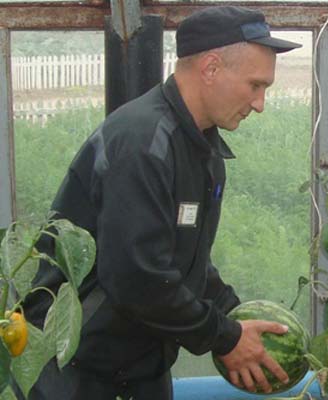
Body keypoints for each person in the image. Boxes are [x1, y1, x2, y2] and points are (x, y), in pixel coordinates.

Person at [21, 6, 301, 399]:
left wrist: (237, 316)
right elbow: (137, 277)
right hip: (76, 370)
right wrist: (224, 336)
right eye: (256, 85)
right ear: (211, 68)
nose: (260, 104)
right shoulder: (142, 142)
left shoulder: (202, 150)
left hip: (138, 366)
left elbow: (186, 262)